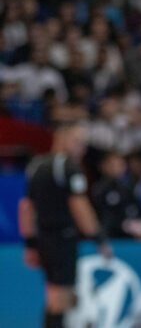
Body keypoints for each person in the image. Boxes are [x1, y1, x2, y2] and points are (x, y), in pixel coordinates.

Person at [18, 122, 113, 328]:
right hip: (62, 239)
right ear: (62, 138)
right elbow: (79, 205)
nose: (83, 149)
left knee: (56, 295)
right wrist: (99, 238)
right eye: (78, 142)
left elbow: (26, 208)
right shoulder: (69, 167)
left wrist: (31, 244)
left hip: (44, 239)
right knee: (61, 297)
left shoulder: (36, 165)